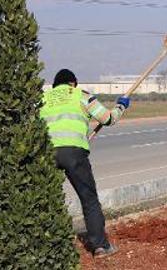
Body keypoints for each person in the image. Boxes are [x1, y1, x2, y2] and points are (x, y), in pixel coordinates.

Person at [40, 69, 130, 257]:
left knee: (47, 198)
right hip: (74, 153)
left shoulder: (43, 98)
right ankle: (100, 246)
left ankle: (47, 243)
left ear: (56, 84)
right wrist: (121, 106)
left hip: (46, 153)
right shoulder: (82, 96)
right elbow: (108, 119)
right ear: (73, 83)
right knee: (88, 199)